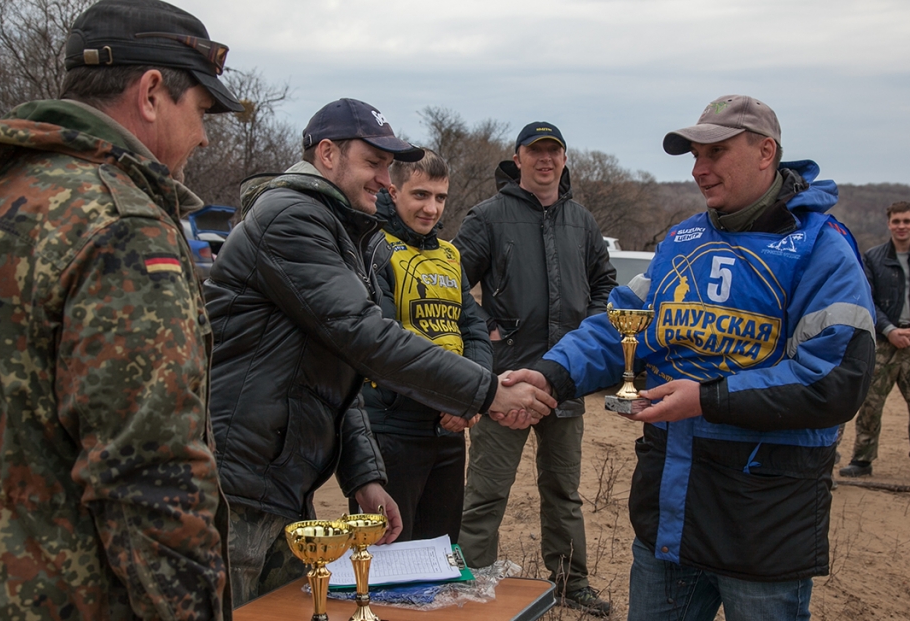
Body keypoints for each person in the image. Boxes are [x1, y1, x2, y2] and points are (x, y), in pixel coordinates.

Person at [515, 95, 877, 620]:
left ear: (765, 152)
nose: (699, 170)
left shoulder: (822, 247)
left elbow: (836, 377)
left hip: (765, 523)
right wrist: (552, 374)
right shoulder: (681, 241)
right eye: (694, 155)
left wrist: (708, 400)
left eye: (715, 152)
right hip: (668, 516)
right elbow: (620, 328)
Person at [204, 99, 556, 604]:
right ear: (327, 154)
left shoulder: (336, 228)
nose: (385, 180)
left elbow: (334, 367)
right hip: (239, 486)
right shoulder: (292, 220)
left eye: (389, 166)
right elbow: (367, 338)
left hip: (277, 481)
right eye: (374, 163)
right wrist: (484, 393)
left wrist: (364, 476)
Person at [0, 0, 243, 617]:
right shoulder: (123, 226)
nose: (201, 135)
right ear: (150, 94)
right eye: (199, 111)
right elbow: (149, 474)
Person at [454, 121, 617, 616]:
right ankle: (472, 581)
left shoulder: (582, 222)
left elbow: (605, 284)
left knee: (563, 491)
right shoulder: (488, 217)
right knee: (486, 493)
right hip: (504, 383)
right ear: (518, 157)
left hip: (564, 382)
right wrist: (485, 332)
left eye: (555, 150)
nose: (545, 159)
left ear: (565, 159)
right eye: (536, 150)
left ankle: (571, 582)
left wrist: (588, 337)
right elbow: (450, 284)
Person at [345, 150, 491, 543]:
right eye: (420, 195)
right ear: (393, 192)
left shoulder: (450, 254)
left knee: (439, 552)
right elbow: (382, 344)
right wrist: (454, 395)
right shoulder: (371, 248)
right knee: (386, 554)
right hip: (392, 430)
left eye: (440, 198)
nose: (431, 209)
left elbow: (474, 328)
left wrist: (469, 397)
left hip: (449, 429)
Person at [840, 201, 910, 486]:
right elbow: (867, 299)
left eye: (907, 221)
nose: (901, 226)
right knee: (870, 404)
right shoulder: (873, 258)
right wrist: (889, 330)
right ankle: (861, 460)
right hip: (883, 343)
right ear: (889, 224)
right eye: (896, 221)